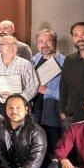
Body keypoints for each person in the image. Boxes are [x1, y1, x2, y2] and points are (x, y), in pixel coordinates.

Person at [31, 28, 65, 160]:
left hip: (53, 114)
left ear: (55, 43)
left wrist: (48, 91)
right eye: (40, 42)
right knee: (37, 150)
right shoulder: (33, 60)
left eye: (48, 41)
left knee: (54, 150)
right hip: (35, 112)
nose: (44, 45)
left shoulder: (65, 62)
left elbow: (69, 92)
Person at [0, 36, 38, 111]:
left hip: (19, 106)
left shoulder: (26, 64)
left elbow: (33, 86)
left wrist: (19, 99)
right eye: (6, 44)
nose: (11, 46)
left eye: (14, 44)